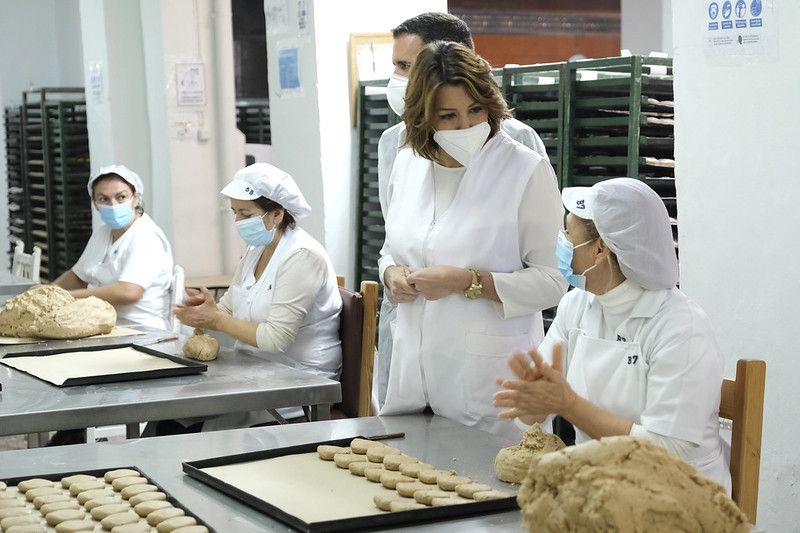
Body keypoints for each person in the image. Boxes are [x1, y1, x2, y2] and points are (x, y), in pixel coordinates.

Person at [378, 42, 567, 439]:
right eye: (448, 116)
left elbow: (553, 281)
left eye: (476, 110)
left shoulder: (524, 171)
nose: (466, 127)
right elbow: (392, 246)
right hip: (414, 377)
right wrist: (390, 271)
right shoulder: (408, 163)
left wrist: (468, 281)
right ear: (422, 117)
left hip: (490, 383)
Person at [493, 177, 731, 492]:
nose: (562, 242)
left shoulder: (679, 327)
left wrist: (569, 403)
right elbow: (540, 408)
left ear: (601, 248)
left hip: (679, 499)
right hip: (598, 485)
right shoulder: (578, 303)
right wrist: (533, 403)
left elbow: (666, 452)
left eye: (568, 233)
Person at [169, 162, 342, 432]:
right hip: (255, 371)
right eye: (235, 212)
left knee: (189, 423)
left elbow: (276, 339)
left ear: (276, 214)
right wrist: (205, 310)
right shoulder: (255, 249)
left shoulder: (302, 256)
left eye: (246, 213)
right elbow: (228, 306)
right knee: (172, 413)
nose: (238, 221)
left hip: (299, 380)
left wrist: (216, 321)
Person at [54, 164, 174, 330]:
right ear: (94, 202)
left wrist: (66, 297)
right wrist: (48, 291)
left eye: (121, 197)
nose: (113, 205)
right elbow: (77, 277)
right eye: (103, 199)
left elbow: (128, 292)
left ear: (135, 198)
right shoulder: (102, 233)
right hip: (101, 323)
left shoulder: (146, 235)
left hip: (140, 329)